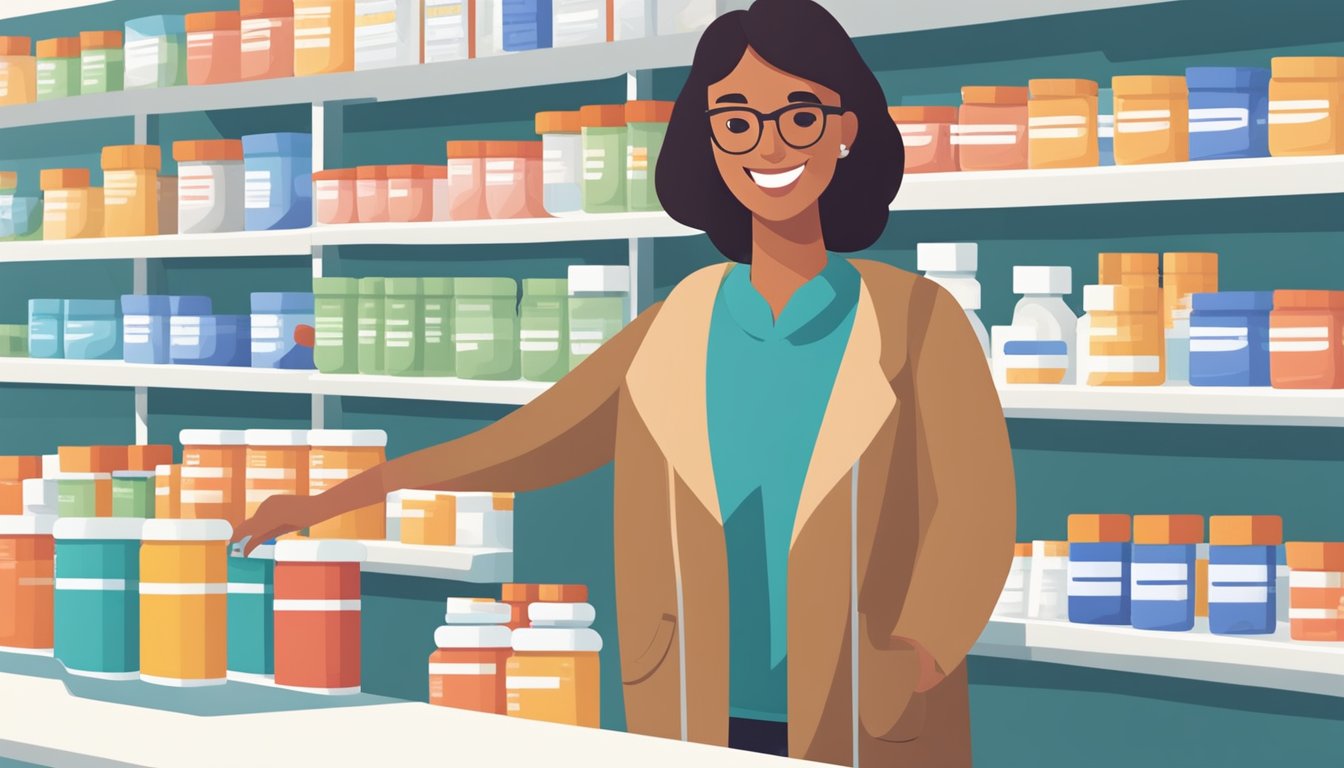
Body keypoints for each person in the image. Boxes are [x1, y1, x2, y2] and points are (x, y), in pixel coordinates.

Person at [235, 0, 1015, 764]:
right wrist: (327, 502)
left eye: (799, 116)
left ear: (844, 129)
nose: (768, 148)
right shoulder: (680, 321)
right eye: (737, 121)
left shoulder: (916, 321)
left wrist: (914, 658)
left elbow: (976, 512)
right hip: (693, 706)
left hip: (864, 718)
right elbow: (522, 443)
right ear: (708, 141)